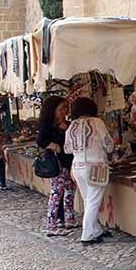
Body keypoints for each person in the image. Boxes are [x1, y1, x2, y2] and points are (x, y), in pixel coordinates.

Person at [65, 97, 113, 246]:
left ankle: (96, 230)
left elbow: (67, 149)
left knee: (88, 199)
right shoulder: (96, 122)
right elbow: (108, 143)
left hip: (77, 166)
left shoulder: (72, 125)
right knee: (93, 201)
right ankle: (87, 234)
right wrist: (109, 149)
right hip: (95, 165)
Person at [37, 96, 77, 237]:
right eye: (61, 109)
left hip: (68, 163)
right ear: (52, 110)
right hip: (57, 164)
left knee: (70, 190)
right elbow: (41, 140)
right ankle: (52, 225)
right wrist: (54, 146)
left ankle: (69, 218)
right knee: (56, 193)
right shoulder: (47, 125)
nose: (64, 111)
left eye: (65, 108)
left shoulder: (66, 123)